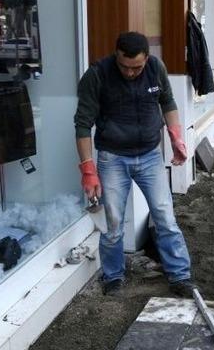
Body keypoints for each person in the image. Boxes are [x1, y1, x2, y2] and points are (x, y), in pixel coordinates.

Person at [74, 32, 195, 297]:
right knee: (113, 222)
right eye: (125, 67)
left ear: (147, 59)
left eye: (136, 67)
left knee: (165, 216)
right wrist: (88, 169)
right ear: (115, 55)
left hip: (150, 155)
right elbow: (83, 124)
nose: (130, 73)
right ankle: (114, 275)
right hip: (112, 157)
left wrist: (176, 137)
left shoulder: (155, 68)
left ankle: (180, 275)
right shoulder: (97, 75)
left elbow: (167, 101)